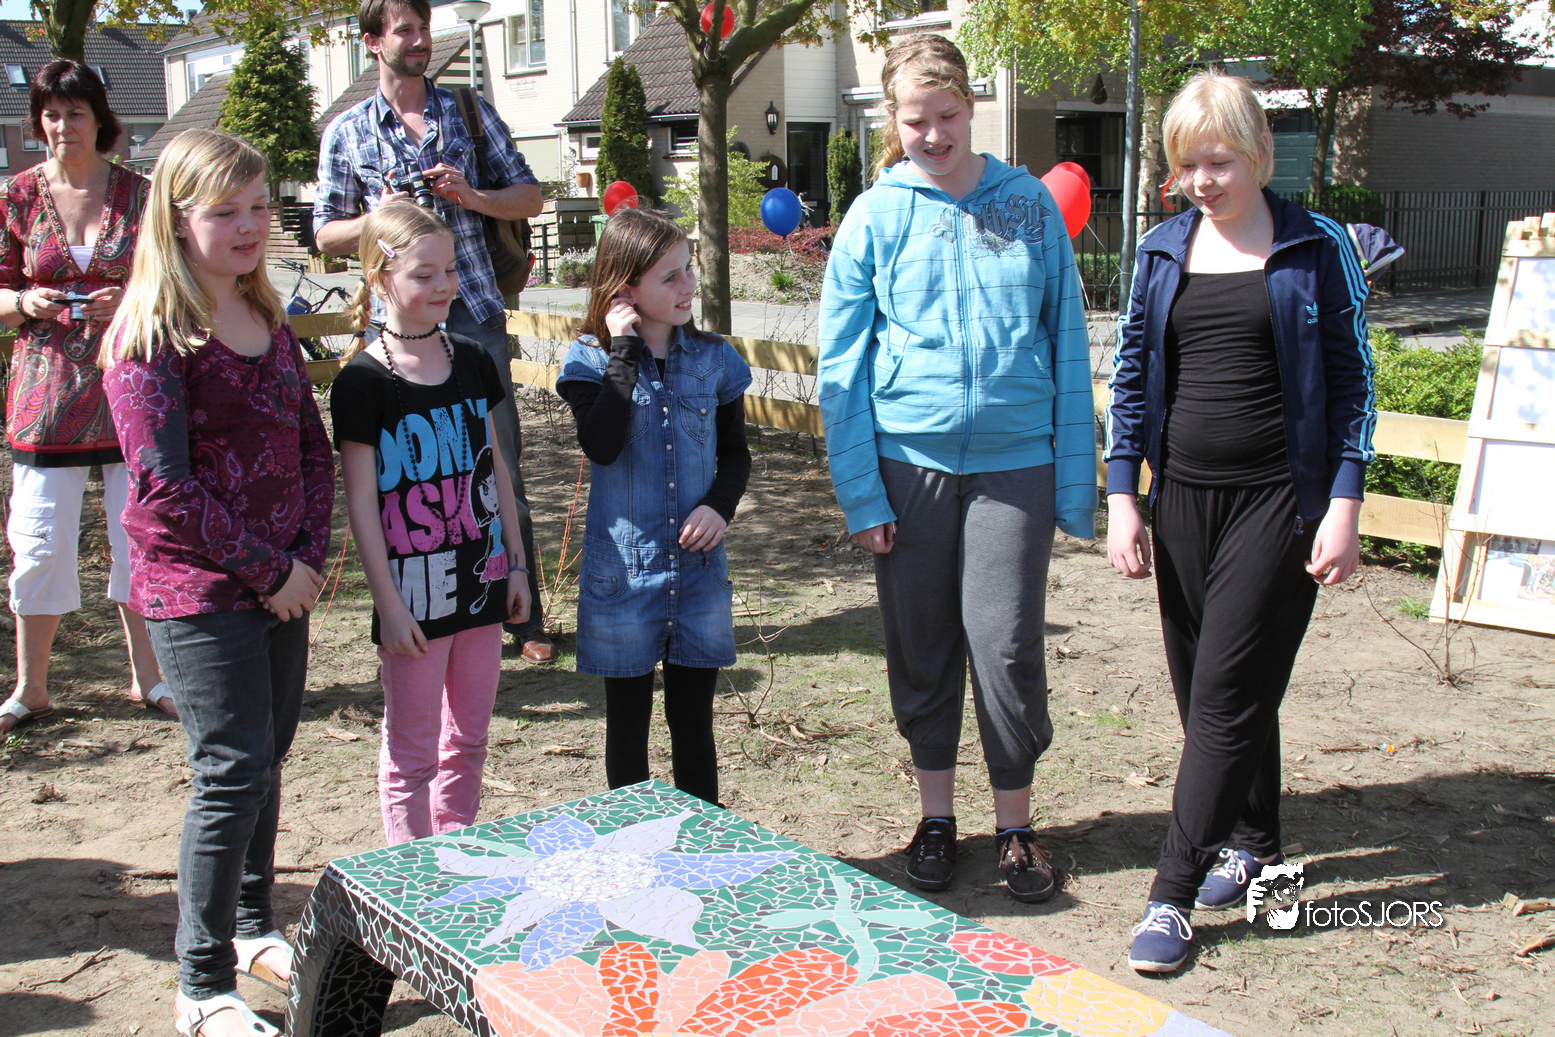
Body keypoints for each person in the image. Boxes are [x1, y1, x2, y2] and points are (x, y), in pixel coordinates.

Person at [1104, 71, 1374, 972]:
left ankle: (1170, 895)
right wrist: (1122, 493)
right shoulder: (1161, 250)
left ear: (1258, 152)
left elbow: (1353, 382)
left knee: (1223, 695)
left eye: (1217, 161)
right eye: (1187, 165)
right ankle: (1256, 844)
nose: (1201, 181)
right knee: (1211, 696)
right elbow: (1131, 374)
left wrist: (1343, 502)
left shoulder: (1315, 246)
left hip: (1278, 503)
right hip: (1182, 500)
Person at [817, 34, 1096, 904]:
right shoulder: (874, 216)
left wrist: (1075, 482)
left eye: (946, 115)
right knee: (922, 643)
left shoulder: (1028, 205)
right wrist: (862, 492)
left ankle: (1015, 826)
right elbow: (840, 367)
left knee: (1006, 646)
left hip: (1016, 462)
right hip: (908, 464)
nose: (932, 134)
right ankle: (935, 818)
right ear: (891, 120)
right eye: (914, 120)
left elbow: (1066, 339)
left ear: (970, 107)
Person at [102, 129, 335, 1037]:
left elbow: (311, 447)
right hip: (199, 596)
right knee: (231, 770)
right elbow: (163, 489)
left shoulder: (266, 317)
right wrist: (272, 570)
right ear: (175, 218)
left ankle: (249, 923)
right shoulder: (150, 338)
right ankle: (200, 983)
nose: (249, 225)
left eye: (259, 206)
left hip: (284, 585)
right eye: (225, 211)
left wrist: (305, 559)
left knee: (266, 758)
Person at [314, 0, 552, 664]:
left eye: (424, 28)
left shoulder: (468, 113)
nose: (421, 40)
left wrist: (470, 195)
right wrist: (379, 218)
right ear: (373, 42)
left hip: (473, 311)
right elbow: (324, 232)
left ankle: (523, 612)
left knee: (498, 464)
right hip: (393, 329)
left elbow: (531, 196)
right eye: (406, 31)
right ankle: (421, 605)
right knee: (410, 477)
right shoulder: (347, 131)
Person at [331, 201, 531, 844]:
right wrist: (388, 606)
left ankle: (455, 848)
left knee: (468, 739)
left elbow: (497, 471)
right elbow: (362, 505)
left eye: (449, 270)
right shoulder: (361, 382)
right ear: (379, 277)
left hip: (483, 584)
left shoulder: (472, 358)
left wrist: (517, 565)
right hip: (412, 602)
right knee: (412, 753)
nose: (444, 285)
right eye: (424, 274)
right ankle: (410, 873)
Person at [555, 207, 752, 806]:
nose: (688, 284)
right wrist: (623, 349)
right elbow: (601, 444)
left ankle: (704, 844)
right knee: (628, 726)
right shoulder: (589, 361)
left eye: (688, 268)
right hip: (623, 575)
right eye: (670, 277)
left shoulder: (715, 359)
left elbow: (736, 455)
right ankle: (633, 846)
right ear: (625, 288)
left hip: (698, 573)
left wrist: (719, 506)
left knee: (694, 723)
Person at [0, 59, 171, 736]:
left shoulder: (141, 194)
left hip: (131, 389)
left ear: (100, 119)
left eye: (74, 113)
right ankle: (32, 688)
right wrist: (24, 301)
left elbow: (176, 279)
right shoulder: (16, 195)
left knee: (140, 540)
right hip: (45, 401)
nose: (61, 126)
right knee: (39, 542)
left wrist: (129, 297)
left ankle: (149, 677)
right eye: (50, 114)